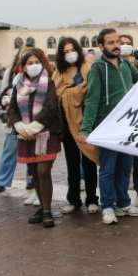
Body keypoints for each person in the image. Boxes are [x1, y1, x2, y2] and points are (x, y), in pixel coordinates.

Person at [79, 28, 138, 224]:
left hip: (126, 126)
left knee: (125, 167)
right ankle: (108, 206)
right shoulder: (98, 69)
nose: (116, 45)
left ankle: (124, 203)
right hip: (107, 127)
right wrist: (86, 129)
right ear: (101, 46)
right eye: (110, 42)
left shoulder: (126, 64)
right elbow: (92, 100)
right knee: (108, 168)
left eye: (117, 41)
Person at [7, 48, 62, 228]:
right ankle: (42, 206)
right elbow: (12, 109)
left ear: (42, 63)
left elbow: (51, 106)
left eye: (36, 62)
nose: (33, 66)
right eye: (29, 63)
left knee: (43, 171)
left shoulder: (49, 82)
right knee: (34, 174)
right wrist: (20, 127)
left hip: (46, 134)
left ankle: (47, 211)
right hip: (26, 135)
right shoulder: (18, 84)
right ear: (23, 67)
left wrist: (33, 127)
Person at [54, 37, 100, 215]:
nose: (69, 54)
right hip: (66, 123)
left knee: (89, 160)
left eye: (71, 50)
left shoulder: (88, 68)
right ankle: (73, 199)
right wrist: (71, 91)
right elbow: (55, 91)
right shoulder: (59, 71)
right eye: (65, 51)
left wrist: (69, 91)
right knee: (72, 163)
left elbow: (91, 91)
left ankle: (92, 199)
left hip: (85, 122)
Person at [0, 46, 37, 203]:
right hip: (14, 119)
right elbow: (4, 92)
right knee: (9, 150)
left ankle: (31, 180)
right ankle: (2, 181)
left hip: (31, 120)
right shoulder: (12, 72)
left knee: (31, 152)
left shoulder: (38, 73)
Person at [119, 34, 138, 207]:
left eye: (127, 44)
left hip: (135, 116)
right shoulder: (112, 65)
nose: (124, 46)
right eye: (121, 43)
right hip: (119, 117)